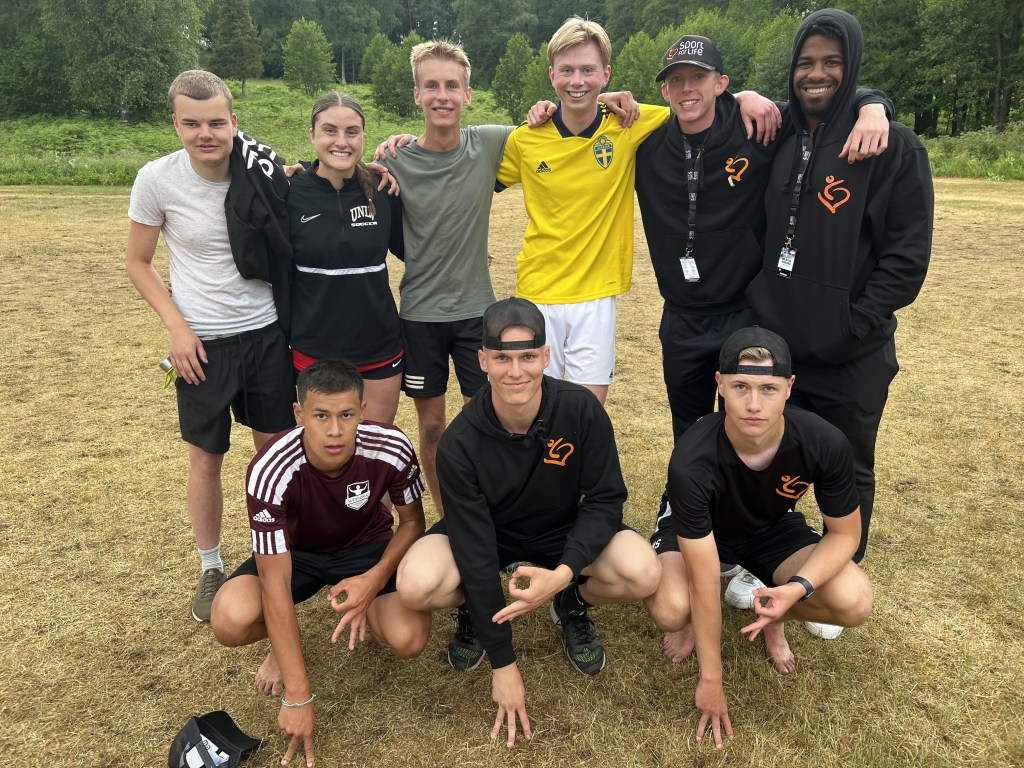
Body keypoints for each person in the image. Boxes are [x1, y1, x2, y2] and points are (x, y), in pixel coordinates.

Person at [634, 35, 892, 657]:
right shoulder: (646, 143)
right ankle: (696, 534)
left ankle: (765, 545)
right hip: (681, 316)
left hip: (744, 310)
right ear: (663, 89)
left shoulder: (758, 127)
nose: (687, 89)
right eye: (676, 79)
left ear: (723, 84)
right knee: (691, 431)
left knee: (755, 422)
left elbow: (818, 99)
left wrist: (875, 103)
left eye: (700, 77)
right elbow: (588, 110)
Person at [376, 40, 635, 515]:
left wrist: (603, 99)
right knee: (432, 427)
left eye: (451, 85)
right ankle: (451, 519)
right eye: (431, 86)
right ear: (417, 95)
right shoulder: (394, 160)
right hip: (419, 314)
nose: (442, 96)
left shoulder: (491, 142)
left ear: (468, 93)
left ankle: (498, 513)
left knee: (491, 421)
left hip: (477, 312)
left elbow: (558, 121)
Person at [396, 298, 661, 747]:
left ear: (546, 356)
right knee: (416, 584)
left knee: (643, 571)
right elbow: (474, 546)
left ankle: (570, 603)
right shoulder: (459, 442)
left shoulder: (580, 409)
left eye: (527, 357)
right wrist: (503, 662)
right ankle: (476, 611)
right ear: (482, 360)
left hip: (561, 532)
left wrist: (563, 574)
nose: (515, 371)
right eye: (502, 358)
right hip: (491, 535)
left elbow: (605, 499)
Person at [739, 8, 933, 617]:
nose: (815, 74)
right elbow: (710, 107)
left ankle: (834, 577)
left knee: (846, 465)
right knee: (764, 457)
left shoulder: (891, 145)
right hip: (778, 346)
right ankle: (758, 561)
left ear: (852, 69)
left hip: (852, 353)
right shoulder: (780, 136)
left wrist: (855, 321)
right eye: (805, 63)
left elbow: (906, 257)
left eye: (831, 62)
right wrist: (741, 94)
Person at [648, 326, 872, 748]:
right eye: (741, 387)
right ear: (720, 385)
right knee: (673, 609)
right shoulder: (692, 459)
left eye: (768, 388)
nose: (754, 404)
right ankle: (691, 623)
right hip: (699, 531)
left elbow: (845, 535)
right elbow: (704, 578)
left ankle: (775, 617)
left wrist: (796, 589)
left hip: (769, 526)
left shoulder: (823, 441)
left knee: (854, 600)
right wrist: (711, 679)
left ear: (789, 387)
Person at [125, 70, 295, 622]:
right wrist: (176, 328)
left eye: (217, 122)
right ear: (175, 123)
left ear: (233, 122)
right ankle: (211, 566)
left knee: (275, 455)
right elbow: (138, 262)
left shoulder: (262, 169)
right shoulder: (157, 180)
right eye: (192, 123)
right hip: (201, 344)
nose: (206, 134)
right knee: (205, 460)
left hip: (266, 333)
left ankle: (282, 553)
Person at [210, 359, 430, 768]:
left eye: (346, 415)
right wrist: (298, 695)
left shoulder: (392, 445)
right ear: (299, 414)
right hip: (298, 554)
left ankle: (353, 610)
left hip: (367, 547)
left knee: (409, 639)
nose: (334, 430)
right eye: (321, 416)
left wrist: (372, 581)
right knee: (229, 619)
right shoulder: (270, 467)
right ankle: (284, 643)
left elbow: (414, 523)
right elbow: (276, 583)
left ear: (362, 411)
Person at [287, 92, 405, 424]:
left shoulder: (383, 190)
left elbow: (414, 249)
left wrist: (466, 248)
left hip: (379, 348)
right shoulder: (288, 191)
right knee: (324, 449)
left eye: (352, 132)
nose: (341, 141)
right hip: (312, 350)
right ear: (312, 135)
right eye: (330, 130)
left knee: (375, 446)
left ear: (363, 137)